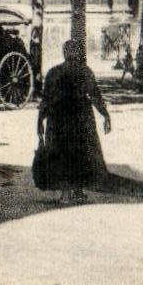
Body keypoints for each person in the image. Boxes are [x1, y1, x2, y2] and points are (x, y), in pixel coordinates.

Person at [36, 39, 111, 204]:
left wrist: (40, 121)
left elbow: (46, 100)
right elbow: (95, 95)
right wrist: (105, 115)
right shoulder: (85, 71)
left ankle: (66, 194)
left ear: (64, 53)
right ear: (77, 53)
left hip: (58, 119)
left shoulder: (53, 72)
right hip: (81, 118)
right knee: (81, 153)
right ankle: (77, 190)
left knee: (61, 154)